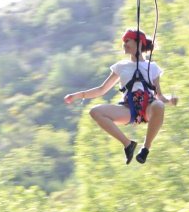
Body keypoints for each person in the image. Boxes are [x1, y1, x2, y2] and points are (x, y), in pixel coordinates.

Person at [64, 29, 178, 165]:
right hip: (129, 109)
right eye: (123, 42)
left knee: (159, 105)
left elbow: (159, 95)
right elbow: (102, 89)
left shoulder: (152, 67)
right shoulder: (121, 66)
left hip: (148, 107)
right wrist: (77, 95)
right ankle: (128, 144)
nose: (124, 44)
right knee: (95, 112)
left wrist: (169, 100)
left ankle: (145, 149)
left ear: (139, 43)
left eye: (127, 41)